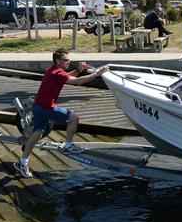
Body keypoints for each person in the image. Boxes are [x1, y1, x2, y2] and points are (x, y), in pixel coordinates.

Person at [13, 49, 110, 178]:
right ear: (58, 61)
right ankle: (68, 146)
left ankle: (22, 162)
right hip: (46, 108)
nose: (68, 62)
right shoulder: (57, 72)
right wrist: (97, 73)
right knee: (74, 118)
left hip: (37, 107)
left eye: (69, 60)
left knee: (37, 134)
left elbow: (66, 77)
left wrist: (79, 70)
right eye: (66, 60)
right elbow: (77, 81)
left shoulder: (52, 70)